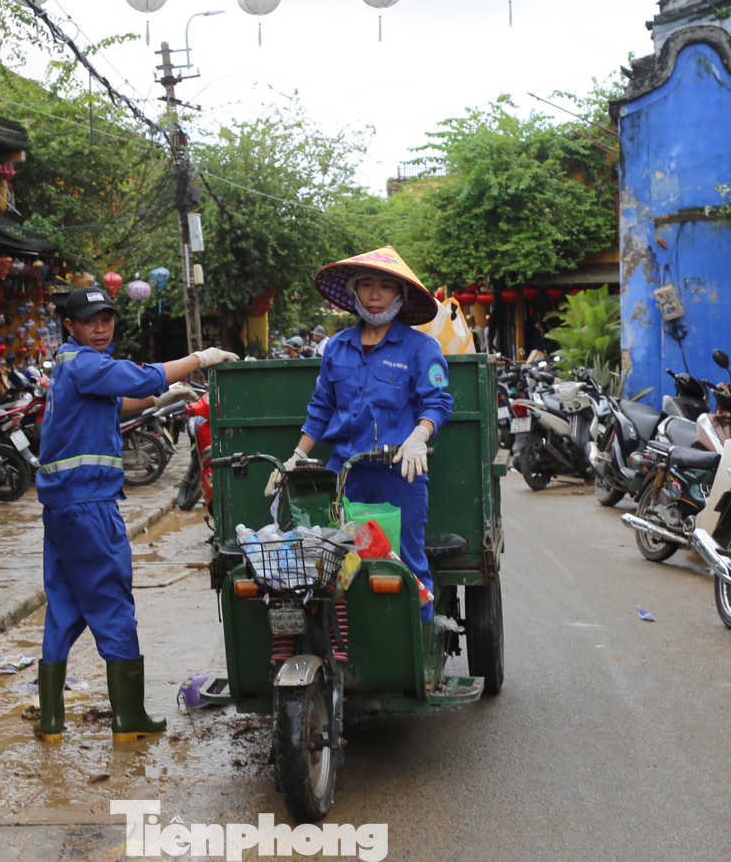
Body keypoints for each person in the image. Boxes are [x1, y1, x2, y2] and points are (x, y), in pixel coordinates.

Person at [36, 286, 239, 742]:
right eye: (89, 321)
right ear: (70, 326)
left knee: (63, 607)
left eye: (106, 319)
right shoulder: (88, 363)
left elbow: (117, 401)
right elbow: (144, 376)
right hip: (90, 507)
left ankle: (51, 721)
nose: (100, 328)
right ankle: (129, 719)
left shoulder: (69, 366)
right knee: (113, 606)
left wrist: (160, 400)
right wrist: (200, 359)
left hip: (62, 508)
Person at [266, 246, 451, 620]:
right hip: (344, 477)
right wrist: (297, 456)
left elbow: (437, 403)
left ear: (400, 295)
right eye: (366, 285)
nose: (375, 295)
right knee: (335, 569)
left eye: (386, 286)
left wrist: (419, 437)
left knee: (407, 567)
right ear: (354, 292)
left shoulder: (420, 347)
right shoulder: (337, 347)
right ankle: (344, 647)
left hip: (398, 475)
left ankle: (417, 647)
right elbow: (321, 408)